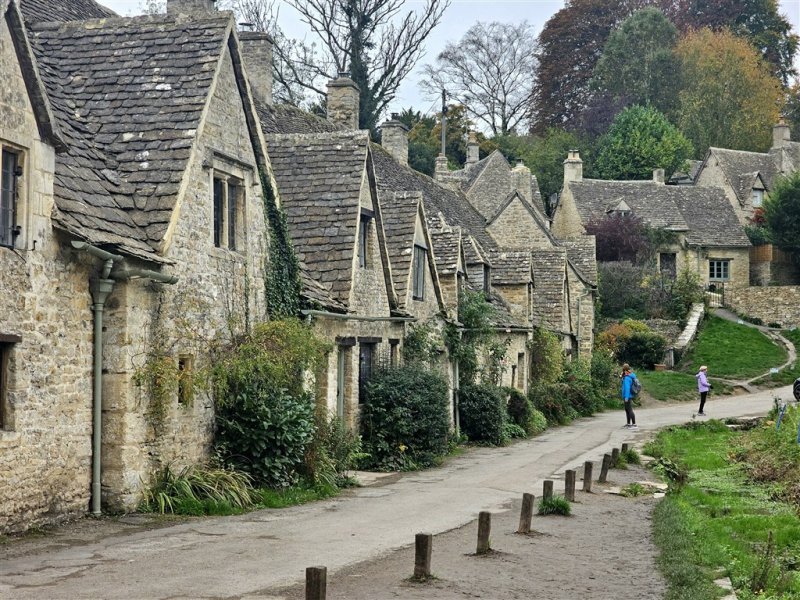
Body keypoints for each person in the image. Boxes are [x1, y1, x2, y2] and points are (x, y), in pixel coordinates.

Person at [620, 363, 638, 429]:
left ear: (624, 369)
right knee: (627, 409)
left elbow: (627, 388)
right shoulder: (628, 375)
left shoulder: (627, 378)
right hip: (627, 395)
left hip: (627, 396)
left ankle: (634, 424)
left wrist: (626, 397)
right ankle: (628, 423)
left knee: (629, 409)